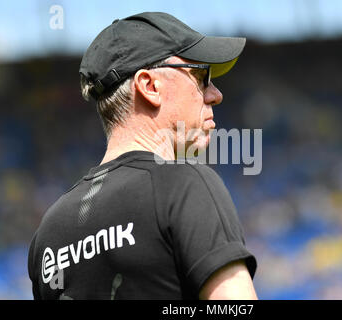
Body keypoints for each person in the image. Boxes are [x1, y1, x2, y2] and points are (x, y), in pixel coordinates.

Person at [28, 11, 257, 300]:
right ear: (150, 86)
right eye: (201, 76)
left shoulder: (48, 233)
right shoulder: (185, 186)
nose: (215, 94)